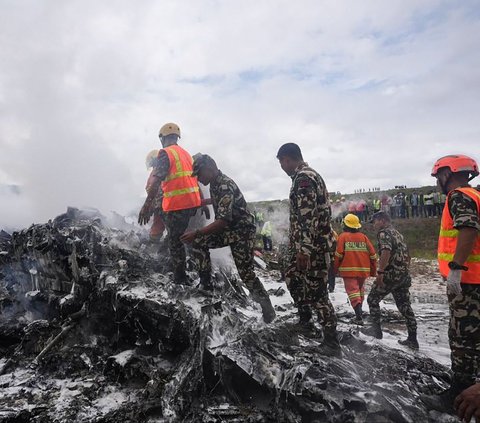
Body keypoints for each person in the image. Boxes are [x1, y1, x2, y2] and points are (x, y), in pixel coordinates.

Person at [180, 154, 276, 323]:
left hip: (242, 233)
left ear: (209, 169)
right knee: (198, 244)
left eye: (200, 174)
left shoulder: (224, 184)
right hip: (230, 230)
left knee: (246, 273)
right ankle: (206, 286)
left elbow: (223, 221)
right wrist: (203, 202)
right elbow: (219, 201)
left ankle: (268, 310)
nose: (199, 179)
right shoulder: (215, 183)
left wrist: (197, 232)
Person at [425, 154, 480, 411]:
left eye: (438, 176)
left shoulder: (458, 196)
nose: (437, 181)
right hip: (476, 280)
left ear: (449, 173)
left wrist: (456, 269)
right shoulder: (476, 195)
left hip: (469, 283)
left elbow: (468, 229)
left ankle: (458, 397)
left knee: (462, 339)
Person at [276, 142, 340, 355]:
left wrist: (304, 249)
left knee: (318, 293)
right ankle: (305, 321)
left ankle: (332, 342)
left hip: (314, 247)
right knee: (291, 275)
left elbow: (308, 217)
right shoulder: (304, 177)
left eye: (281, 163)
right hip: (304, 245)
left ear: (287, 159)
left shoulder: (304, 179)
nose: (282, 167)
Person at [138, 122, 204, 284]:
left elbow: (156, 183)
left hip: (177, 204)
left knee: (176, 242)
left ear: (162, 138)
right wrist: (201, 201)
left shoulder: (165, 153)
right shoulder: (186, 154)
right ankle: (196, 270)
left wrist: (146, 206)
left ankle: (180, 279)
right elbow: (195, 179)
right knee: (180, 237)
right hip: (192, 204)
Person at [363, 211, 418, 349]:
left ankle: (376, 331)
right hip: (403, 275)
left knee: (372, 299)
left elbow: (386, 252)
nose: (374, 225)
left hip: (390, 275)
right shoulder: (397, 233)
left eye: (374, 222)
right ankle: (413, 338)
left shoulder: (384, 233)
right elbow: (407, 254)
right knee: (404, 305)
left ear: (381, 220)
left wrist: (380, 271)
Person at [334, 214, 377, 325]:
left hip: (349, 271)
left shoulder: (343, 237)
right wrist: (372, 271)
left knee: (353, 292)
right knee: (360, 291)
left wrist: (334, 270)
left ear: (345, 224)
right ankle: (359, 313)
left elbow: (338, 255)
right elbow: (373, 255)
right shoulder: (363, 237)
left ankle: (358, 317)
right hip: (363, 271)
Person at [144, 149, 166, 242]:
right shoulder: (157, 171)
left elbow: (155, 188)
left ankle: (154, 243)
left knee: (157, 228)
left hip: (160, 204)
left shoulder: (158, 171)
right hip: (159, 203)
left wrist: (149, 205)